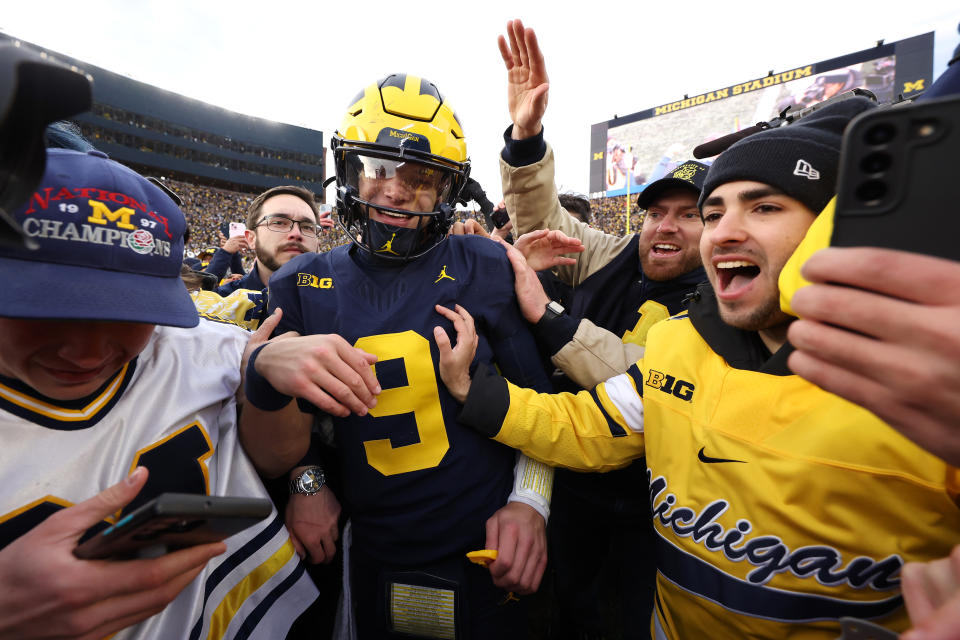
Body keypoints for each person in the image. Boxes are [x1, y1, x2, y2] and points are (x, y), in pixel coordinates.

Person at [435, 95, 960, 639]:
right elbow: (585, 426)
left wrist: (546, 317)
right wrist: (477, 393)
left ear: (834, 225)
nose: (723, 231)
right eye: (714, 214)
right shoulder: (677, 341)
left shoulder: (927, 383)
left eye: (765, 208)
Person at [241, 74, 555, 639]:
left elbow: (546, 402)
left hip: (485, 540)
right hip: (368, 546)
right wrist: (306, 481)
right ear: (350, 168)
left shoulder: (482, 263)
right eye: (379, 167)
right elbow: (285, 434)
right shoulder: (299, 283)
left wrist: (530, 501)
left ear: (447, 189)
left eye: (422, 177)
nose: (394, 190)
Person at [0, 148, 317, 639]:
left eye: (127, 311)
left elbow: (281, 450)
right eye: (47, 308)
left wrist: (263, 369)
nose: (85, 352)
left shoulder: (204, 346)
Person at [497, 20, 707, 638]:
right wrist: (527, 137)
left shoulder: (719, 301)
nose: (665, 227)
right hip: (569, 480)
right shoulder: (610, 252)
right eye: (657, 213)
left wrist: (550, 317)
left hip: (652, 509)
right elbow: (539, 214)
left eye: (688, 216)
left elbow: (644, 380)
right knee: (565, 613)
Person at [214, 185, 325, 296]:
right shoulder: (221, 304)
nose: (296, 233)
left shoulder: (339, 300)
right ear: (252, 239)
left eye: (307, 227)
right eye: (278, 223)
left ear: (317, 243)